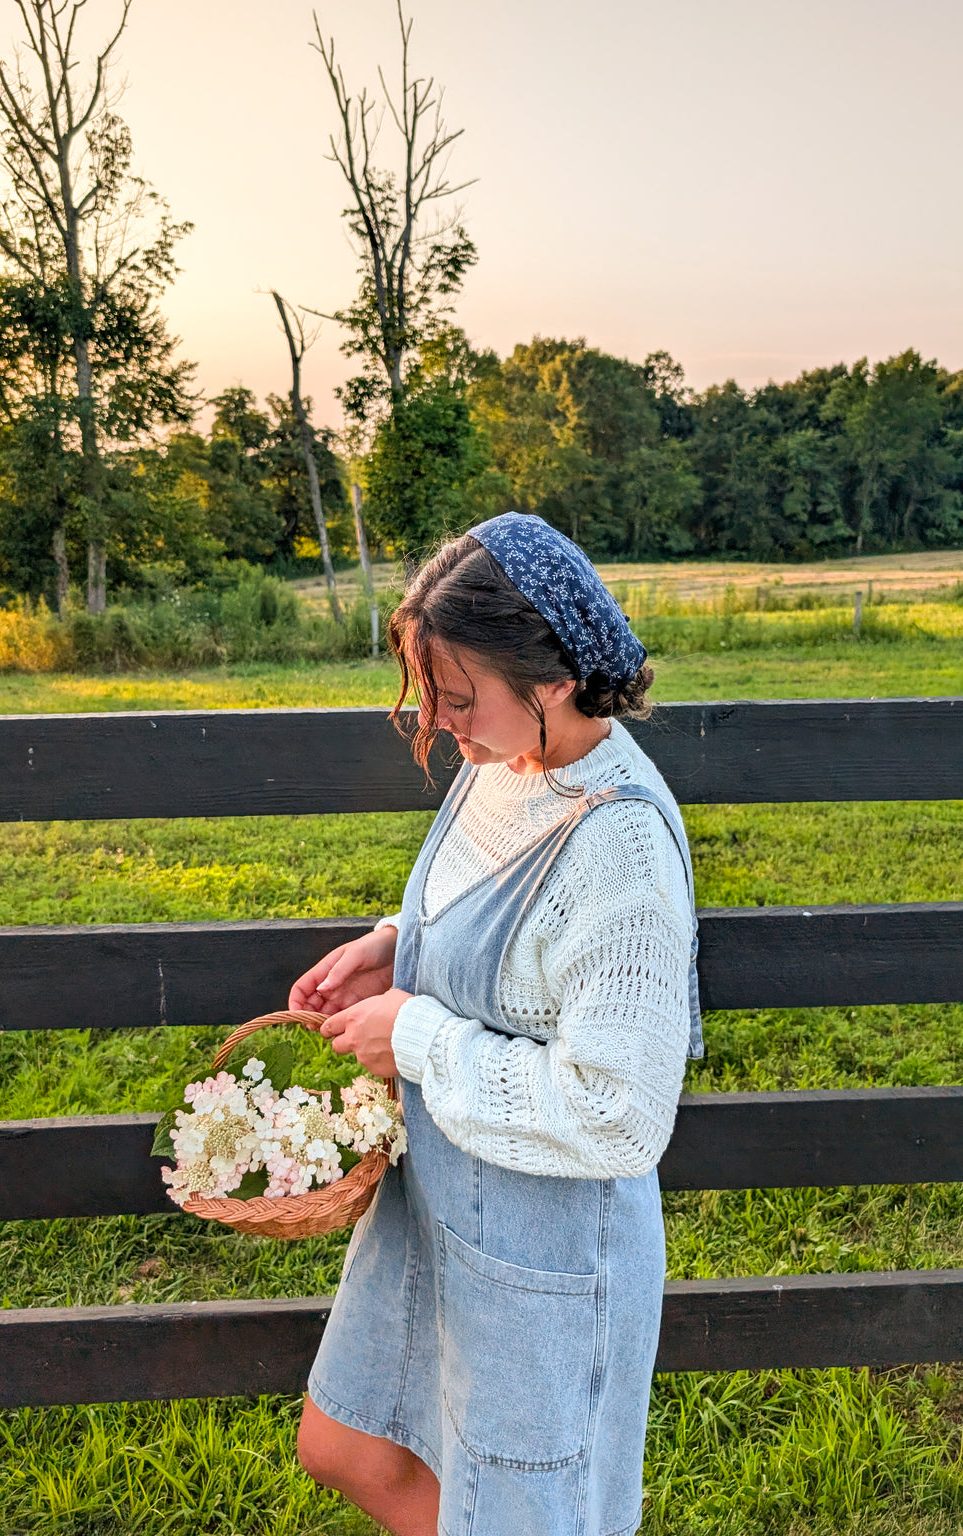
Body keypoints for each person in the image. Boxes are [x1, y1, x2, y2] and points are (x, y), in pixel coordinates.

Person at [288, 513, 702, 1536]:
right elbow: (508, 920)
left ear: (553, 679)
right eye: (429, 692)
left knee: (520, 1510)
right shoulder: (504, 761)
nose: (438, 722)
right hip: (440, 1206)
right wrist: (397, 944)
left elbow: (619, 1116)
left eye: (459, 697)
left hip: (543, 1247)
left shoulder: (621, 851)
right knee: (345, 1445)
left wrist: (416, 1037)